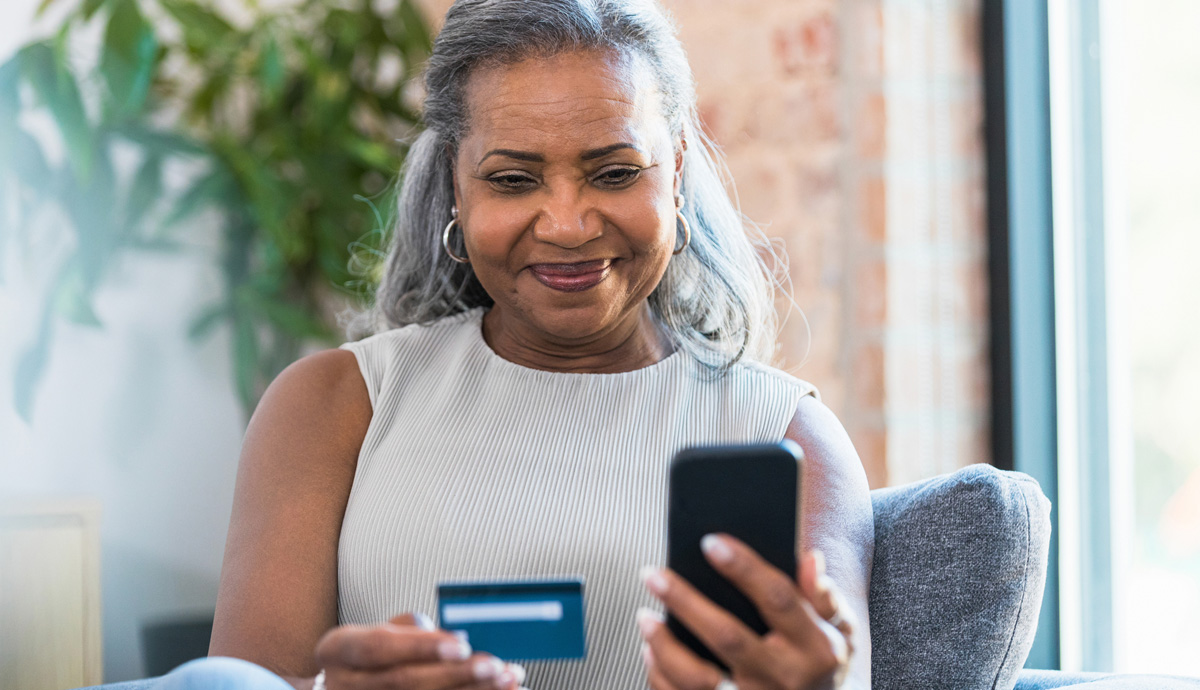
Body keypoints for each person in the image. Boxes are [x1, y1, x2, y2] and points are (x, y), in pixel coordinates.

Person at [205, 1, 874, 689]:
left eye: (614, 173)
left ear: (674, 169)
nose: (568, 225)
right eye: (512, 179)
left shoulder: (789, 434)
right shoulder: (334, 408)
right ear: (456, 191)